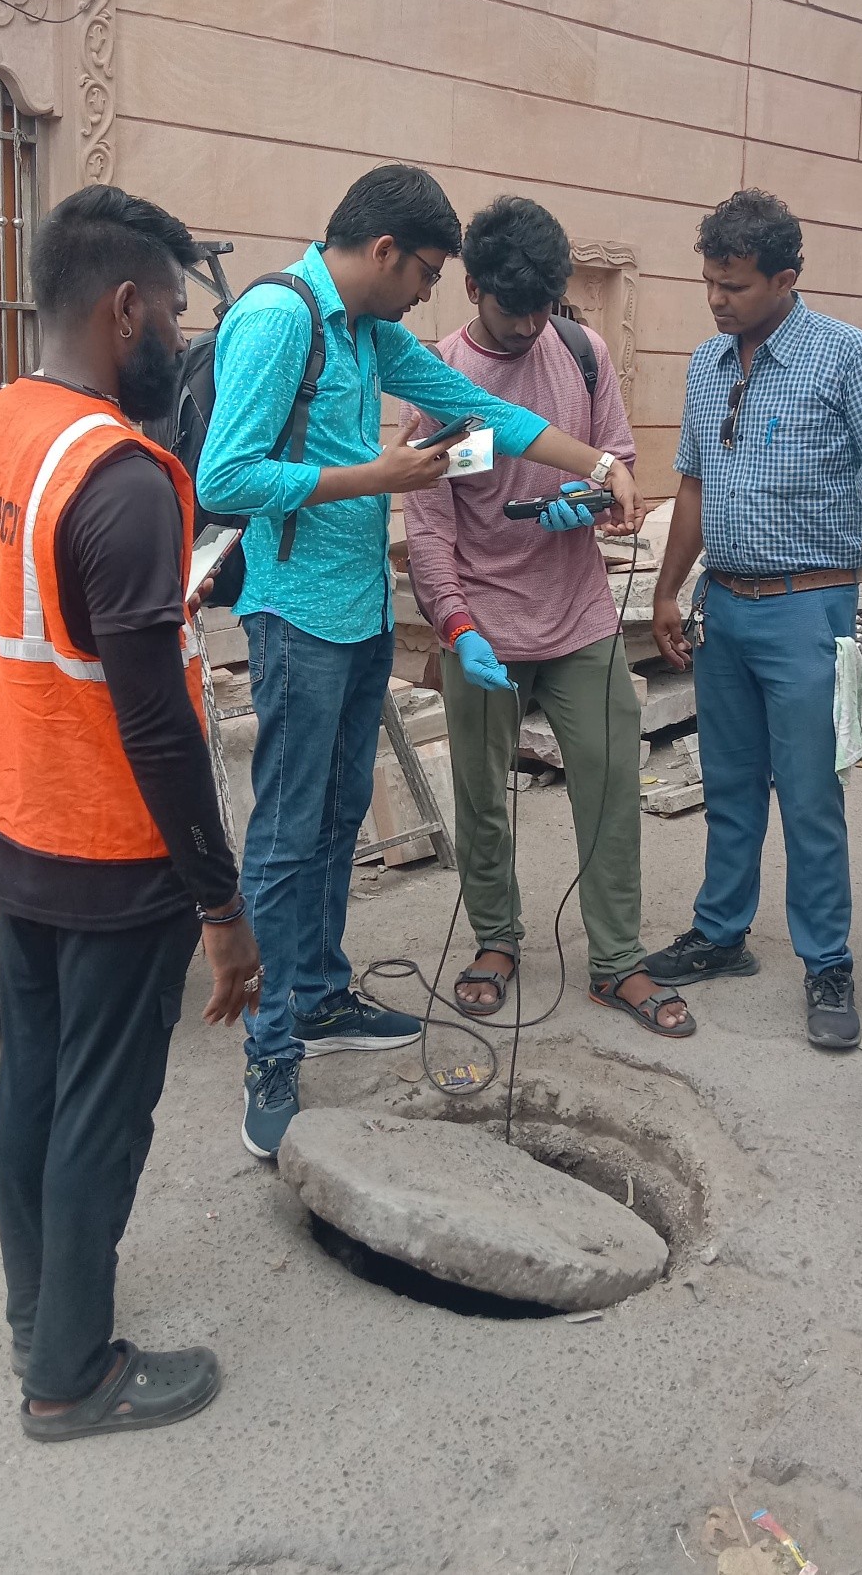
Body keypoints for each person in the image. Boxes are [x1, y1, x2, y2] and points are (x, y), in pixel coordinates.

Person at [0, 185, 261, 1440]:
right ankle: (71, 1372)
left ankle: (34, 1308)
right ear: (125, 308)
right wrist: (220, 899)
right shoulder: (122, 478)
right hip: (110, 851)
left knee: (36, 1078)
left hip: (0, 824)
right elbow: (156, 722)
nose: (175, 326)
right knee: (103, 1104)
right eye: (169, 305)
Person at [197, 165, 643, 1159]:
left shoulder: (369, 334)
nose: (428, 294)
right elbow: (222, 476)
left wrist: (597, 467)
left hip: (357, 616)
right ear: (386, 250)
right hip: (294, 614)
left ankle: (318, 991)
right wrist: (379, 475)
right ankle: (271, 1047)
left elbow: (482, 413)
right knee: (285, 829)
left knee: (335, 818)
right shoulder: (279, 319)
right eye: (427, 272)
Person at [404, 196, 692, 1039]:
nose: (532, 323)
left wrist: (598, 501)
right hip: (481, 626)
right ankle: (495, 939)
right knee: (481, 794)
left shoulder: (581, 350)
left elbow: (622, 466)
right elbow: (429, 519)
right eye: (513, 307)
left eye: (545, 305)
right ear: (470, 287)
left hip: (580, 618)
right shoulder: (439, 378)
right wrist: (456, 624)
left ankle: (617, 960)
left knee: (609, 786)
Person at [646, 188, 862, 1048]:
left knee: (809, 795)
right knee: (728, 787)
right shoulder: (706, 363)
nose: (717, 299)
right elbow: (692, 483)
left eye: (734, 284)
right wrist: (666, 587)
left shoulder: (846, 358)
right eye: (709, 282)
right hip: (725, 606)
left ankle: (826, 959)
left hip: (812, 607)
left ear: (785, 277)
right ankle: (723, 932)